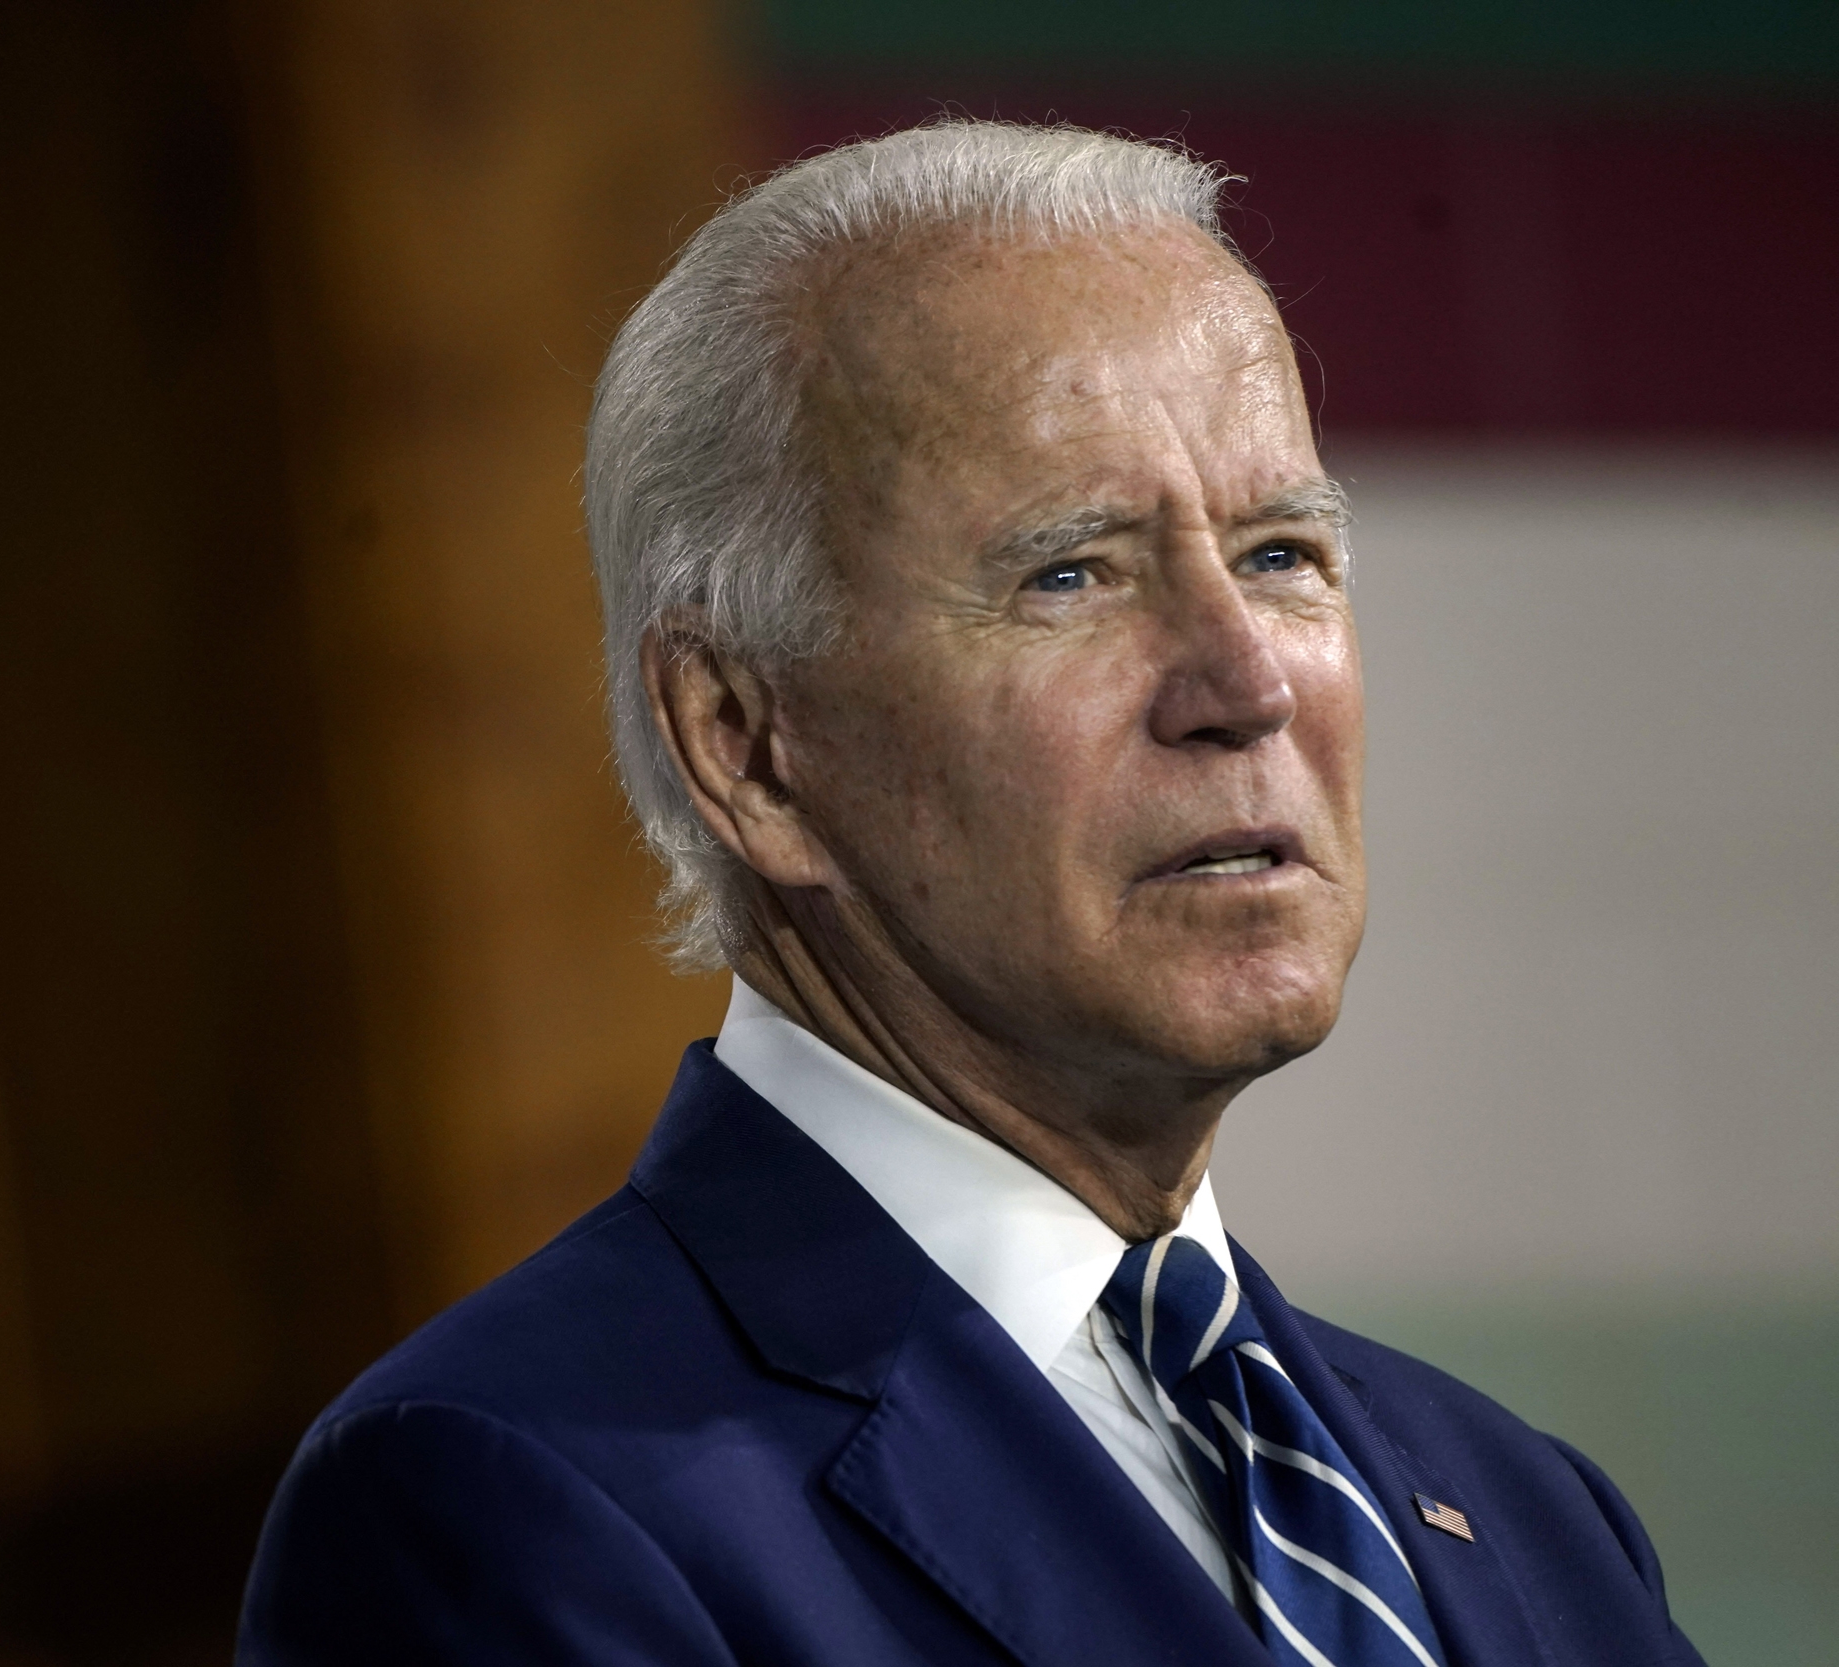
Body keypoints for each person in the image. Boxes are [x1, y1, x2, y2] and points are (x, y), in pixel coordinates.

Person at [237, 121, 1705, 1667]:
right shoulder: (510, 1502)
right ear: (745, 741)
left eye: (1280, 553)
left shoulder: (1536, 1519)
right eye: (1071, 574)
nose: (1247, 682)